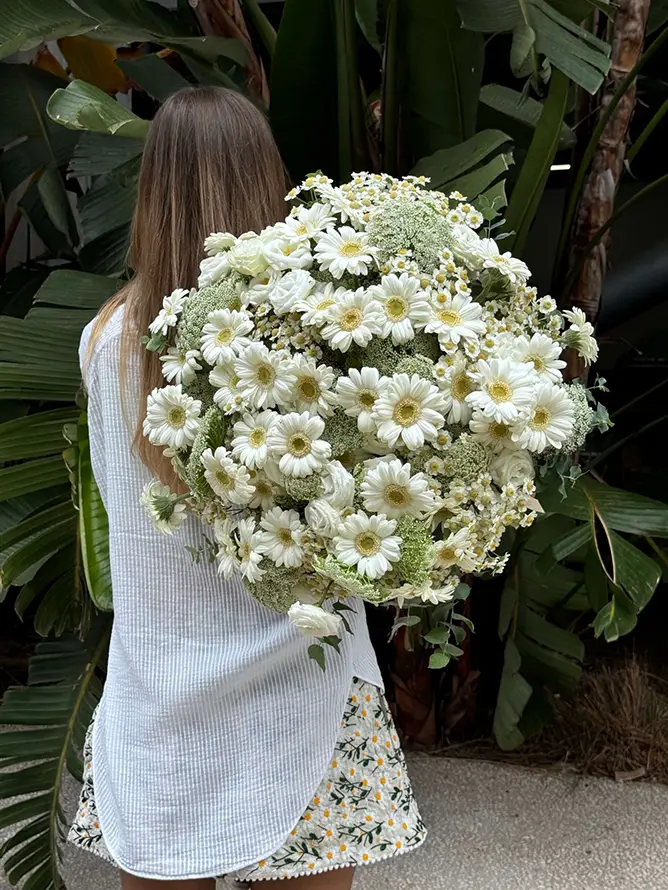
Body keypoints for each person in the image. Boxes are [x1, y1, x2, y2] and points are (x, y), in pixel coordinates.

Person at [69, 86, 426, 889]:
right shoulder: (321, 338)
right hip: (304, 687)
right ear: (266, 180)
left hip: (160, 698)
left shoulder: (104, 346)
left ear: (151, 190)